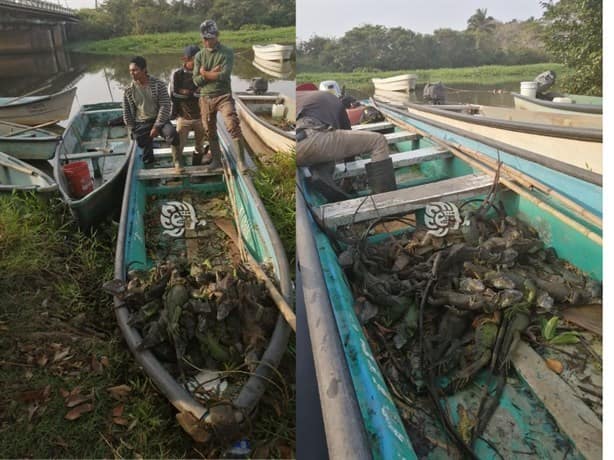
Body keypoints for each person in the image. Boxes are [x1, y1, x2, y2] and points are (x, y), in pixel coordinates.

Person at [296, 90, 396, 195]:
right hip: (311, 136)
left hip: (291, 145)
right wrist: (349, 179)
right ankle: (385, 199)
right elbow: (349, 151)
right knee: (378, 141)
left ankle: (321, 174)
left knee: (324, 147)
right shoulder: (332, 100)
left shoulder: (294, 96)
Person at [192, 19, 245, 170]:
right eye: (205, 38)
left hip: (223, 96)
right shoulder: (199, 56)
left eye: (210, 38)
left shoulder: (227, 52)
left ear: (217, 36)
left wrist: (205, 73)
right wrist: (210, 74)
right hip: (205, 98)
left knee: (232, 124)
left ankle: (241, 161)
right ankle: (216, 160)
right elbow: (196, 81)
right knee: (209, 129)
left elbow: (224, 75)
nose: (207, 41)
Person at [122, 56, 180, 169]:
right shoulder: (129, 90)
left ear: (144, 70)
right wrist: (132, 128)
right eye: (130, 71)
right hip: (142, 121)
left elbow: (165, 105)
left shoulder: (158, 84)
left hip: (160, 119)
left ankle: (177, 160)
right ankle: (149, 161)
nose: (132, 73)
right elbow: (127, 111)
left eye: (135, 70)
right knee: (141, 142)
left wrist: (156, 127)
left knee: (172, 135)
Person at [169, 44, 208, 167]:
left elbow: (204, 94)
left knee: (200, 146)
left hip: (200, 117)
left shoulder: (203, 74)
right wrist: (194, 93)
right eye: (194, 59)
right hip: (183, 117)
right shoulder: (177, 74)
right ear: (185, 59)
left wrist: (186, 92)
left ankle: (196, 166)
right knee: (178, 145)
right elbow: (174, 95)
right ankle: (177, 166)